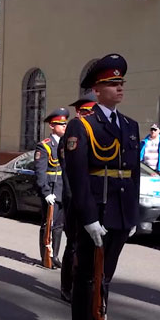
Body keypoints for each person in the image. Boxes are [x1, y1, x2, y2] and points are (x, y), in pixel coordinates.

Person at [62, 54, 140, 320]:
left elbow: (132, 175)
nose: (119, 88)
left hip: (119, 213)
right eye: (112, 84)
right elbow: (78, 177)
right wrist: (89, 218)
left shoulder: (130, 126)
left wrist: (132, 213)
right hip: (96, 211)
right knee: (87, 277)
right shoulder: (81, 126)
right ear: (97, 90)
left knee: (105, 276)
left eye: (121, 83)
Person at [59, 92, 98, 303]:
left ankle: (87, 285)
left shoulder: (96, 133)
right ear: (78, 112)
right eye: (84, 112)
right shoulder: (70, 137)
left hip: (92, 198)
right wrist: (73, 198)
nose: (87, 116)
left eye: (91, 112)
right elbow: (69, 172)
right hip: (75, 198)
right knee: (73, 243)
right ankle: (67, 286)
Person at [34, 108, 69, 270]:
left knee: (59, 226)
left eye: (65, 124)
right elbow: (40, 172)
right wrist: (46, 192)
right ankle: (46, 256)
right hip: (51, 190)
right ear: (52, 126)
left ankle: (55, 255)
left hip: (63, 190)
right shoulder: (44, 146)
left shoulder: (66, 144)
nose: (64, 126)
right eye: (60, 124)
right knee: (48, 224)